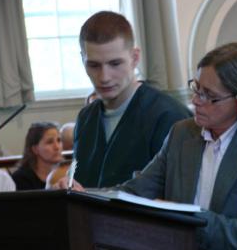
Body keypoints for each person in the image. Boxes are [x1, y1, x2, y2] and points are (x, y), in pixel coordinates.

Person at [109, 42, 237, 249]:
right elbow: (134, 193)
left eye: (209, 95)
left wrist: (185, 216)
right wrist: (84, 193)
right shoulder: (181, 133)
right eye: (196, 88)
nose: (195, 101)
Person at [73, 11, 192, 187]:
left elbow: (178, 195)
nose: (104, 77)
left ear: (135, 58)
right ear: (83, 61)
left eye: (115, 64)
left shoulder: (170, 116)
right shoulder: (85, 118)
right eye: (94, 65)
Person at [12, 122, 63, 190]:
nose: (57, 147)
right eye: (50, 142)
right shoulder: (21, 179)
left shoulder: (68, 172)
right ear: (35, 149)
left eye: (59, 140)